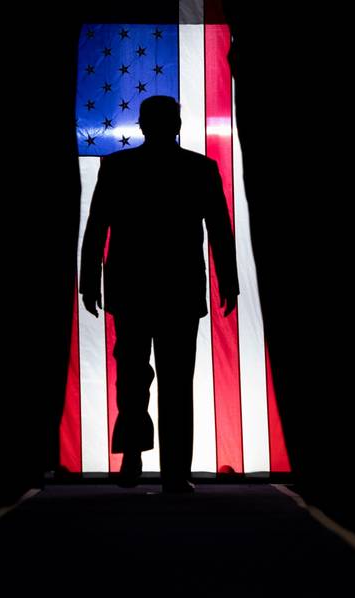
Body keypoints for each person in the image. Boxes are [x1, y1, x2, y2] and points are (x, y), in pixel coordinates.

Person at [80, 95, 239, 494]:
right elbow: (219, 231)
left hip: (131, 289)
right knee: (176, 383)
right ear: (178, 125)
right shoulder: (200, 169)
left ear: (143, 125)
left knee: (132, 378)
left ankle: (133, 455)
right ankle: (173, 473)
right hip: (179, 291)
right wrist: (229, 281)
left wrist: (88, 281)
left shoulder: (118, 168)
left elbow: (97, 227)